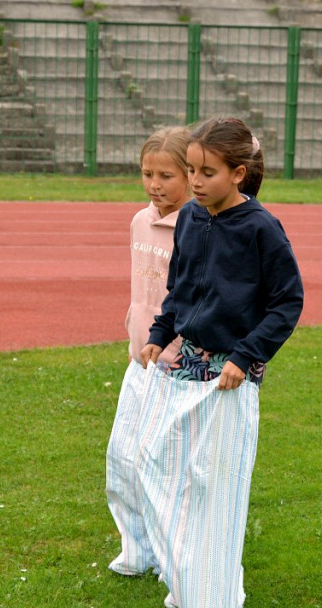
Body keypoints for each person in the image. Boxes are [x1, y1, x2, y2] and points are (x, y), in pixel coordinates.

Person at [137, 117, 303, 608]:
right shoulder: (190, 218)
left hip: (233, 372)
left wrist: (246, 355)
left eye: (207, 171)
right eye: (191, 170)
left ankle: (216, 604)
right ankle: (188, 578)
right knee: (162, 469)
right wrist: (160, 333)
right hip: (186, 363)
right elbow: (181, 289)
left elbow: (287, 302)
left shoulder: (262, 229)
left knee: (215, 485)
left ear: (239, 173)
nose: (196, 180)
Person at [105, 126, 190, 577]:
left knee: (165, 466)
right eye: (147, 173)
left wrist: (175, 345)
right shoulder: (139, 220)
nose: (155, 185)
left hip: (177, 363)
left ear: (190, 176)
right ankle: (135, 549)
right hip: (140, 357)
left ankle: (168, 555)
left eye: (166, 175)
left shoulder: (197, 225)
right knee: (122, 457)